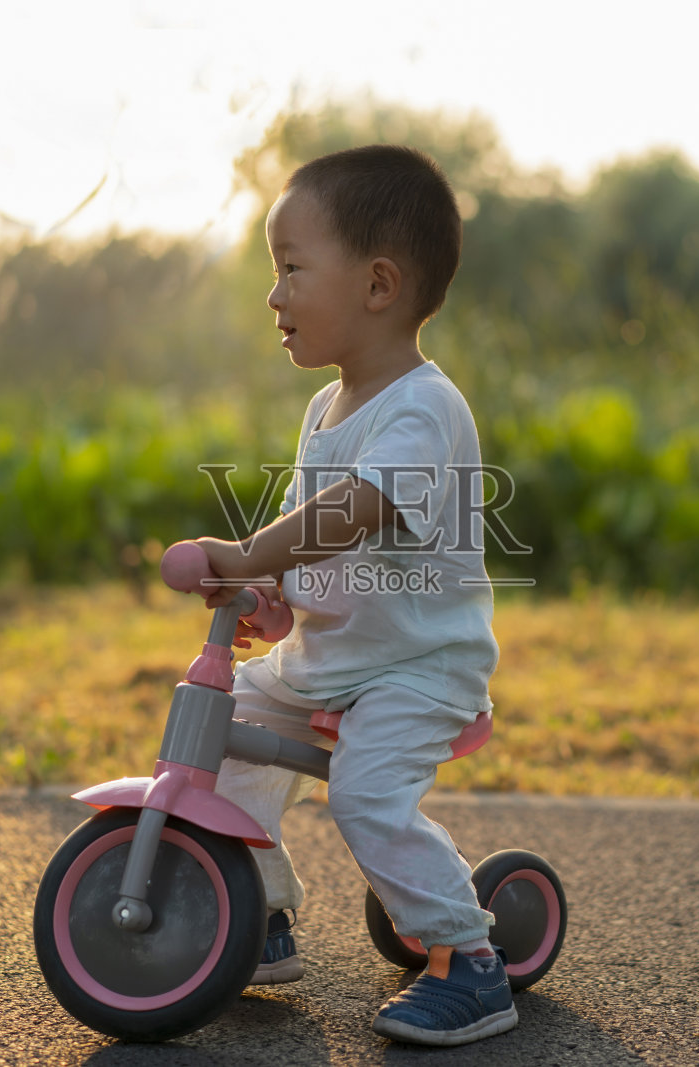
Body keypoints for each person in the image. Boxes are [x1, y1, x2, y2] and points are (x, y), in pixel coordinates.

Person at [190, 144, 511, 1047]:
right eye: (272, 270)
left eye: (292, 268)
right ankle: (254, 909)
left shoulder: (421, 408)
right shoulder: (324, 409)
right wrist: (266, 588)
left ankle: (470, 959)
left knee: (365, 795)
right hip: (332, 659)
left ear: (377, 284)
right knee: (226, 727)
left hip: (417, 664)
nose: (274, 294)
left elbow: (355, 512)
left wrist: (252, 546)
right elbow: (307, 538)